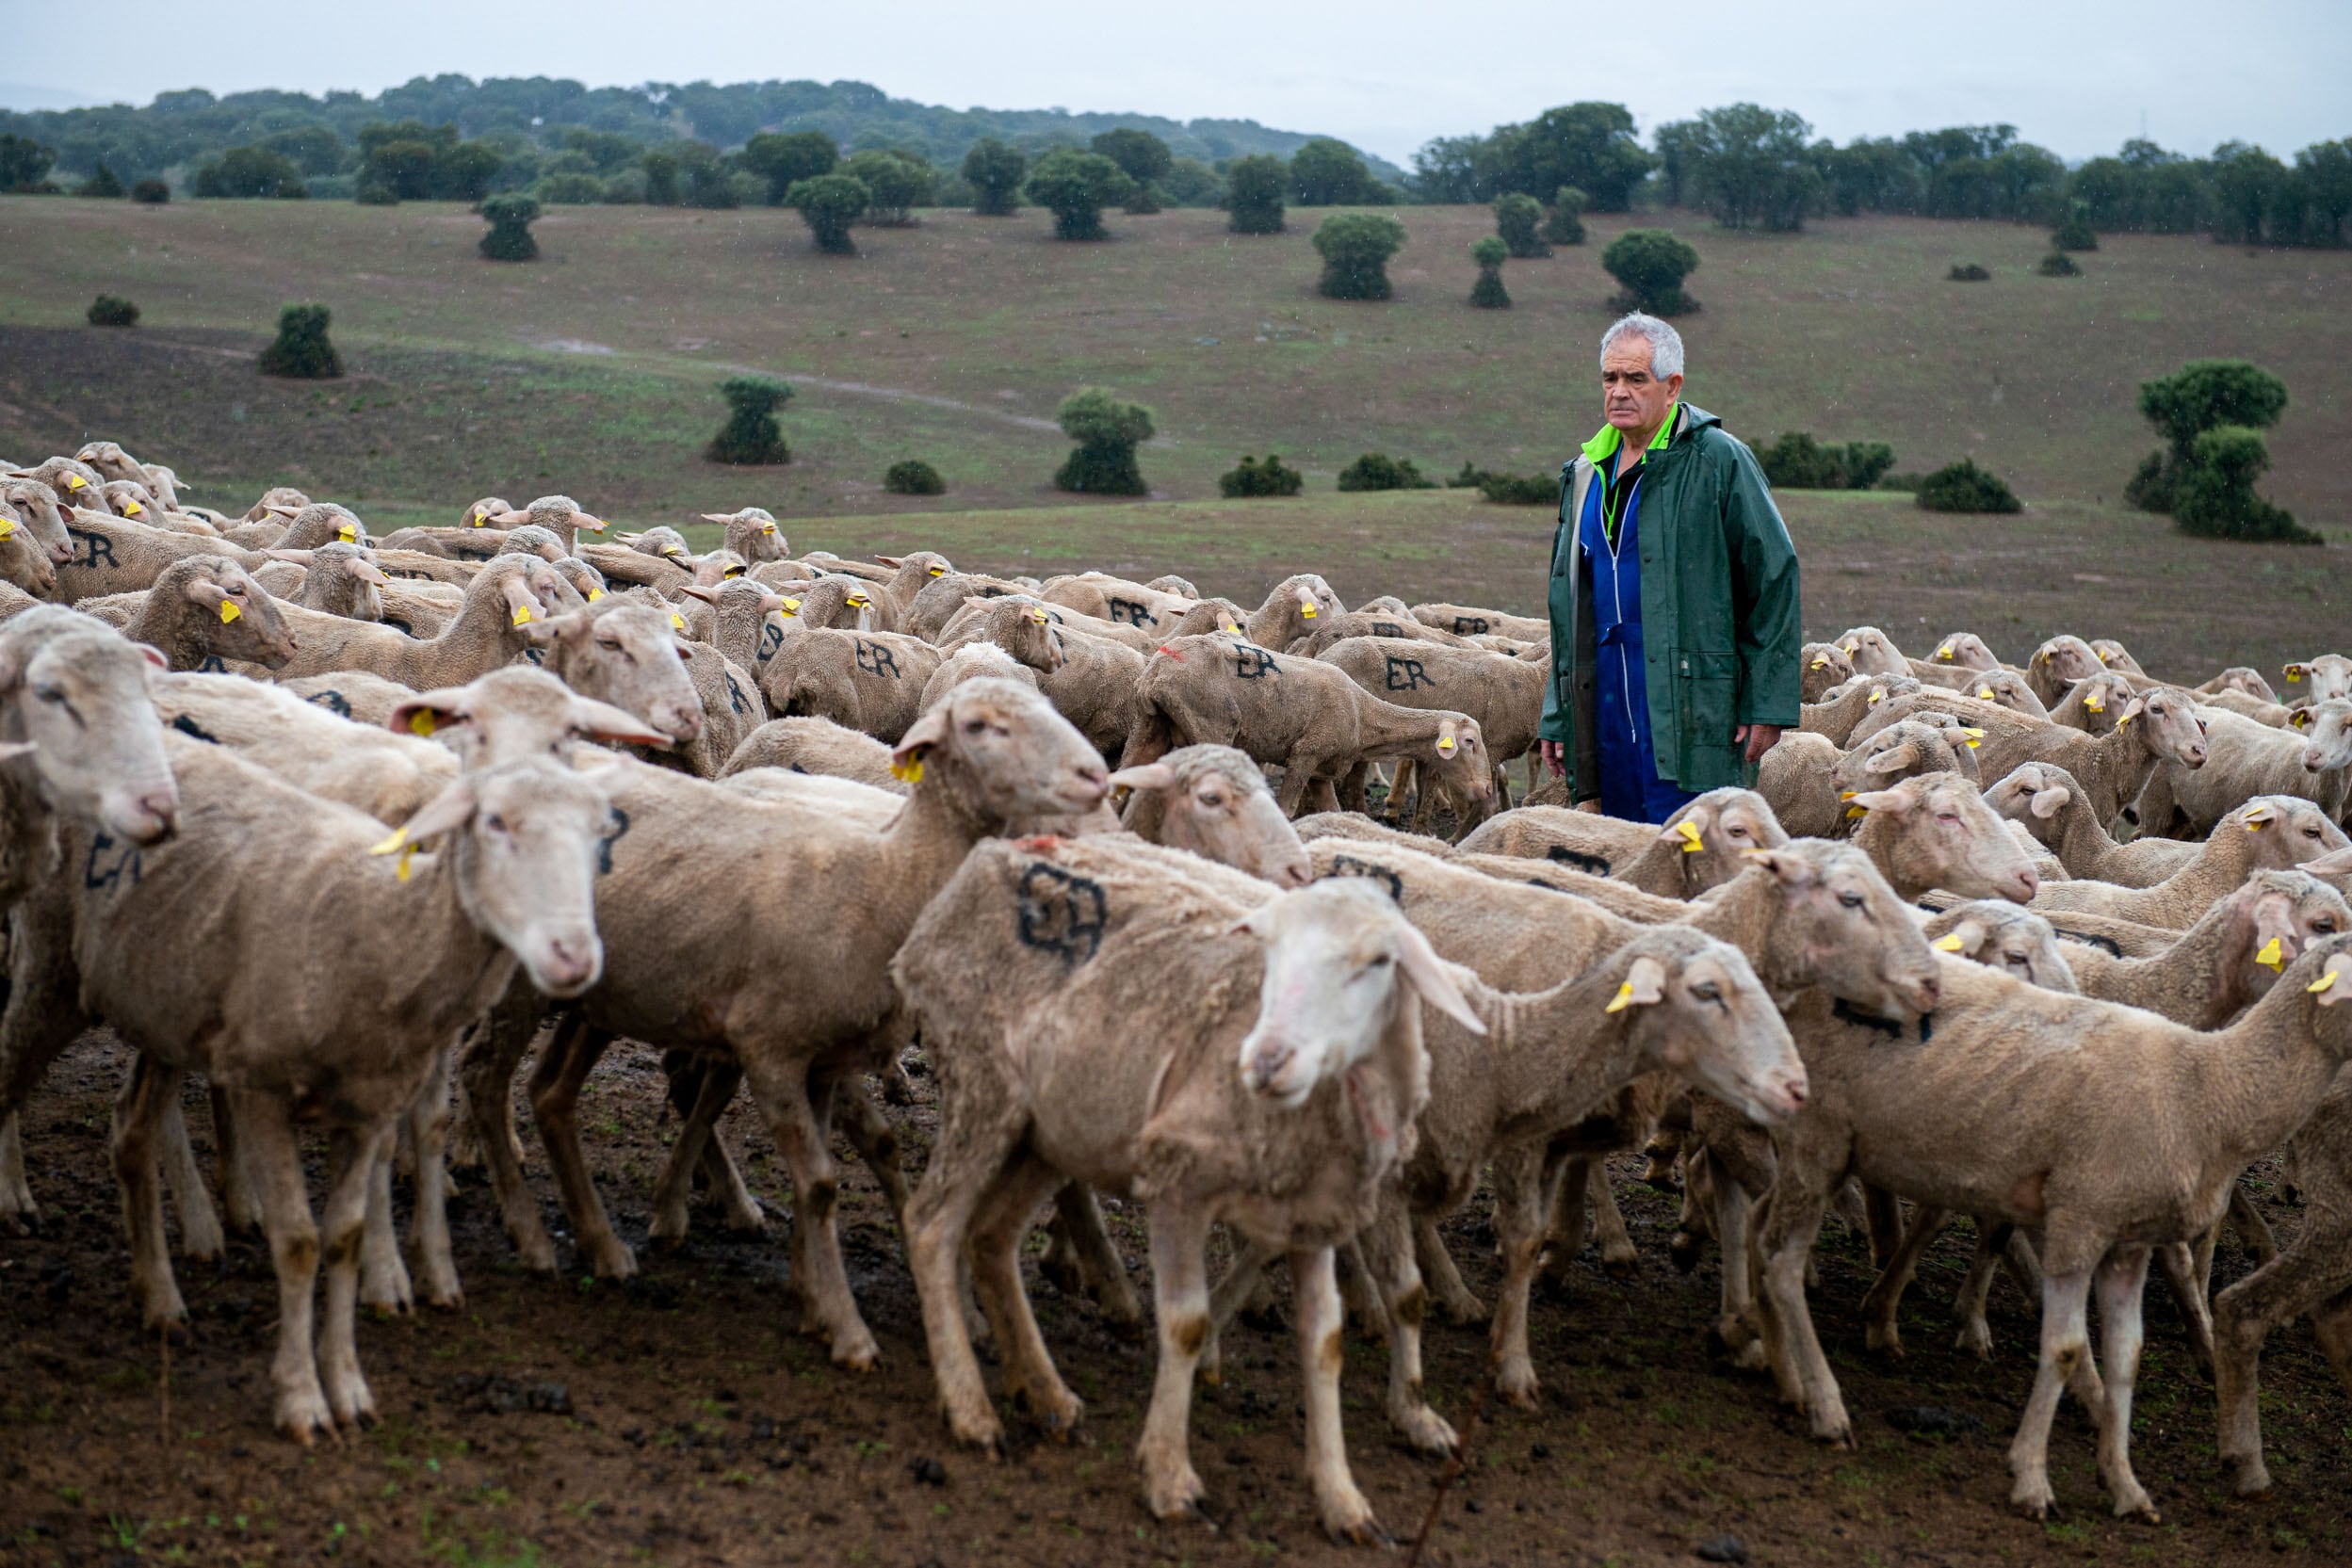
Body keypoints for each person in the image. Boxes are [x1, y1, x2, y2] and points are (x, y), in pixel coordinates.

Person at [1536, 314, 1801, 822]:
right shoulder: (1585, 473)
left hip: (1693, 700)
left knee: (1695, 851)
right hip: (1609, 701)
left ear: (1672, 386)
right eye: (1610, 379)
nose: (1619, 392)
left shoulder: (1718, 460)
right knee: (1625, 854)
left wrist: (1767, 704)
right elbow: (1567, 610)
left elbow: (1774, 578)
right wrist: (1560, 712)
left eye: (1636, 379)